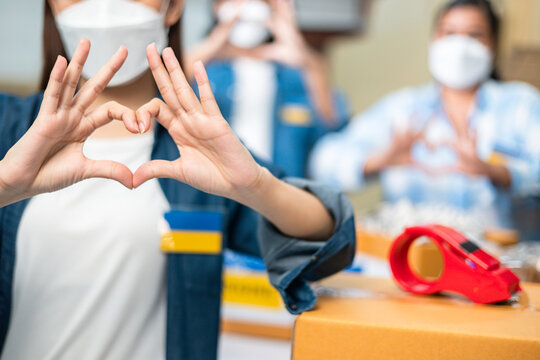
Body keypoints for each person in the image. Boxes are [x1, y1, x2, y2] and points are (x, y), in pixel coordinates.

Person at [0, 0, 356, 359]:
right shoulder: (7, 130)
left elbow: (331, 244)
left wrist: (257, 188)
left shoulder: (202, 153)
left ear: (174, 7)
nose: (105, 6)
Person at [310, 0, 540, 229]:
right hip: (413, 258)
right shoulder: (402, 110)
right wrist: (379, 160)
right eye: (449, 33)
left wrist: (498, 173)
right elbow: (323, 162)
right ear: (433, 40)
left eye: (474, 34)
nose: (459, 44)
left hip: (504, 260)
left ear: (493, 45)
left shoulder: (521, 105)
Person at [184, 0, 350, 177]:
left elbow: (332, 126)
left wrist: (302, 54)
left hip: (283, 193)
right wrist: (216, 41)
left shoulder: (293, 75)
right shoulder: (205, 71)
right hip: (219, 194)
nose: (245, 6)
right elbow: (169, 93)